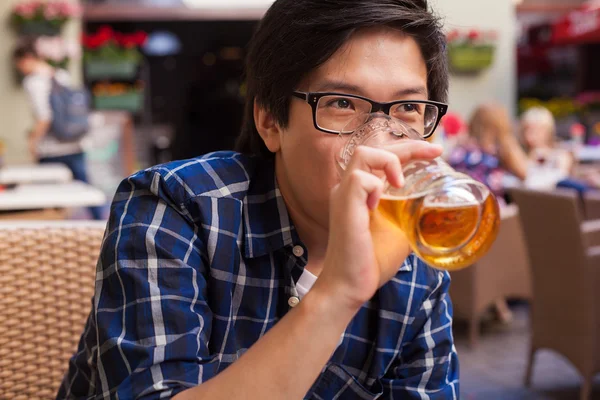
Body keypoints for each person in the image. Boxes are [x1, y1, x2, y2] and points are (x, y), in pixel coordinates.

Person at [58, 1, 458, 398]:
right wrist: (338, 292)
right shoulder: (175, 207)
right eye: (341, 103)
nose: (382, 140)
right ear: (269, 121)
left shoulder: (415, 264)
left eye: (407, 108)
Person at [13, 41, 104, 220]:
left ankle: (52, 230)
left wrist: (32, 141)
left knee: (47, 195)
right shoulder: (61, 74)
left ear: (26, 59)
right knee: (85, 187)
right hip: (75, 141)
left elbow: (44, 118)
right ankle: (103, 224)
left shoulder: (33, 82)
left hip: (52, 147)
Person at [449, 103, 528, 204]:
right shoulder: (498, 150)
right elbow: (524, 173)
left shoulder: (459, 150)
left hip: (459, 206)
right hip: (490, 211)